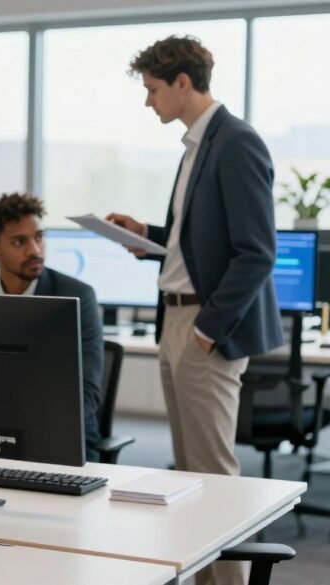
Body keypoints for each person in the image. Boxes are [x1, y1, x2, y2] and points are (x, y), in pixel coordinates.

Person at [108, 36, 281, 585]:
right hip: (177, 317)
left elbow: (257, 252)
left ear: (183, 82)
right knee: (189, 476)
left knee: (214, 478)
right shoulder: (196, 147)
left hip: (204, 325)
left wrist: (207, 331)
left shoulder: (236, 142)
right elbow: (202, 242)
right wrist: (151, 237)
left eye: (153, 90)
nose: (148, 102)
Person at [0, 193, 103, 462]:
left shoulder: (77, 297)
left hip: (60, 439)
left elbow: (87, 395)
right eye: (19, 241)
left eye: (39, 237)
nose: (35, 250)